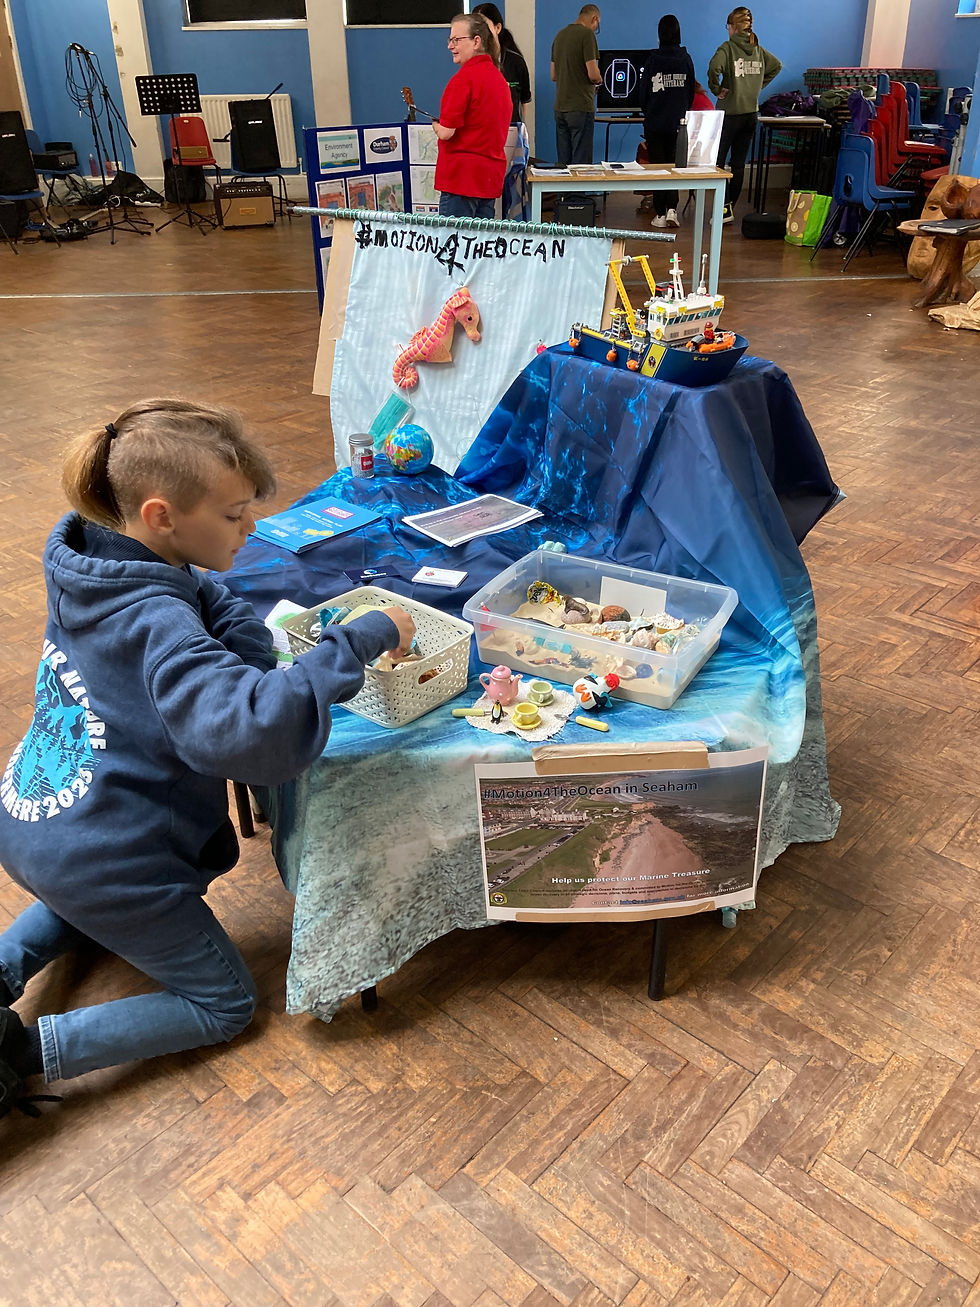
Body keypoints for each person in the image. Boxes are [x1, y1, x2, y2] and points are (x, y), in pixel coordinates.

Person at [0, 398, 415, 1117]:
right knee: (225, 1002)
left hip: (36, 825)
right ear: (162, 515)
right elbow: (258, 736)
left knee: (81, 900)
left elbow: (203, 594)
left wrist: (245, 639)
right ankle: (20, 1058)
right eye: (232, 515)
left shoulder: (95, 559)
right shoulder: (160, 625)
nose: (250, 526)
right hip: (108, 860)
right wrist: (364, 636)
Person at [432, 11, 513, 219]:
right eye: (450, 40)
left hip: (461, 180)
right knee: (480, 248)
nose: (450, 46)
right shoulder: (500, 81)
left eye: (456, 40)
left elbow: (447, 133)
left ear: (476, 41)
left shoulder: (463, 80)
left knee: (453, 248)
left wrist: (436, 126)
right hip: (488, 180)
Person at [707, 5, 781, 224]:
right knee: (738, 164)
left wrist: (716, 89)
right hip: (750, 115)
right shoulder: (757, 49)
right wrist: (756, 87)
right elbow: (776, 66)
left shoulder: (727, 48)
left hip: (729, 114)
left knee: (718, 163)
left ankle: (720, 207)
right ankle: (728, 210)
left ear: (732, 27)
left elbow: (713, 69)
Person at [637, 14, 695, 228]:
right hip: (678, 123)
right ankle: (673, 209)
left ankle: (660, 213)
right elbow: (690, 92)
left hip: (655, 123)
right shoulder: (686, 59)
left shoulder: (653, 60)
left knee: (658, 169)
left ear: (660, 34)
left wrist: (649, 111)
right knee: (674, 167)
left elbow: (643, 93)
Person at [550, 4, 602, 166]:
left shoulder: (560, 36)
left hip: (560, 107)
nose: (595, 29)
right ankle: (577, 193)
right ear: (594, 19)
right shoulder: (587, 35)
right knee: (580, 164)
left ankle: (563, 192)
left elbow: (553, 75)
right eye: (597, 25)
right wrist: (600, 80)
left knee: (564, 163)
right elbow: (593, 74)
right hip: (580, 107)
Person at [473, 2, 531, 124]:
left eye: (484, 26)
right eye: (475, 27)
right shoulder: (471, 63)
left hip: (510, 130)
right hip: (482, 131)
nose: (479, 32)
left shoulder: (516, 61)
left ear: (497, 28)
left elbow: (524, 100)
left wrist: (520, 129)